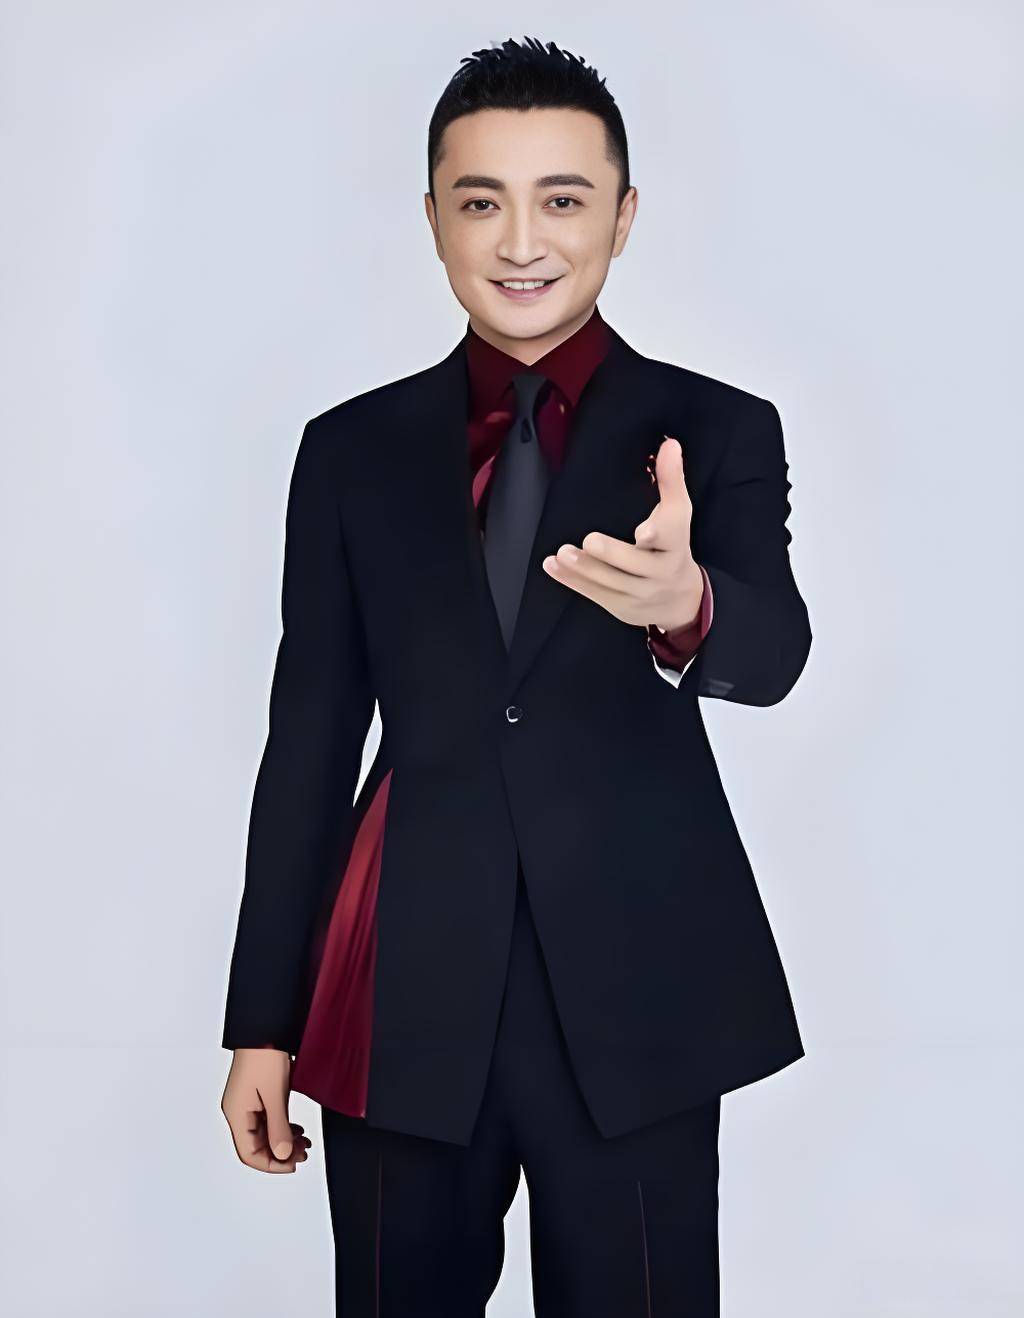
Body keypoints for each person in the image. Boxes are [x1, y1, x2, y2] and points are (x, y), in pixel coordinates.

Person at [220, 34, 812, 1317]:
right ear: (434, 217)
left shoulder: (715, 428)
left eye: (563, 199)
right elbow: (309, 739)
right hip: (399, 991)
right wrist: (262, 1017)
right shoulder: (350, 451)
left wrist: (688, 607)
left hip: (639, 989)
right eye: (482, 201)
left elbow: (774, 650)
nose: (522, 241)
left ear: (623, 216)